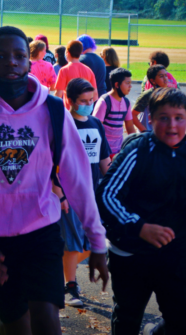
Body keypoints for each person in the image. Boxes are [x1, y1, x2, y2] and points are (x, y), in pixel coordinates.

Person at [0, 26, 109, 335]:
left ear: (30, 61)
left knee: (46, 320)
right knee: (16, 322)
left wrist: (97, 241)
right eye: (1, 56)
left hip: (41, 234)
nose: (12, 62)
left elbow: (79, 180)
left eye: (19, 55)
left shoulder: (54, 112)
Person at [97, 87, 186, 335]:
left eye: (179, 118)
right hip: (131, 251)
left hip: (175, 250)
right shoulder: (137, 150)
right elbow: (106, 195)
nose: (172, 125)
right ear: (151, 119)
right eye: (163, 117)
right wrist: (140, 227)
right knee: (127, 318)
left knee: (183, 320)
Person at [58, 78, 112, 308]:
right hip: (69, 194)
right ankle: (70, 286)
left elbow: (104, 160)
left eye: (91, 100)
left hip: (92, 192)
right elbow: (53, 162)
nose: (89, 105)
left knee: (92, 242)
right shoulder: (63, 124)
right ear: (70, 100)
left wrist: (114, 186)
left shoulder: (96, 123)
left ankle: (56, 268)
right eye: (83, 101)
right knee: (72, 242)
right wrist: (60, 193)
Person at [92, 68, 136, 156]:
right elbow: (96, 128)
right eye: (127, 83)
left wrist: (136, 143)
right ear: (117, 85)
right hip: (104, 153)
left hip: (118, 152)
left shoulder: (126, 102)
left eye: (130, 83)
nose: (130, 86)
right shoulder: (104, 102)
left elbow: (130, 126)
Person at [54, 40, 97, 109]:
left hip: (70, 110)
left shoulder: (64, 70)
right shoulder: (88, 70)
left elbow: (58, 94)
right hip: (85, 111)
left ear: (67, 53)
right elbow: (95, 94)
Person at [132, 65, 171, 133]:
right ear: (153, 81)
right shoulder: (148, 95)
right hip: (148, 134)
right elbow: (133, 115)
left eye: (165, 75)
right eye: (161, 76)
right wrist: (144, 131)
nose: (165, 79)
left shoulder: (169, 94)